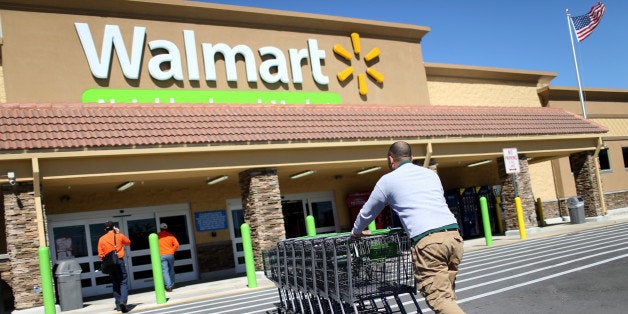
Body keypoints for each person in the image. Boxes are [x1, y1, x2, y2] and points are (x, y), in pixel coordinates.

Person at [351, 141, 464, 314]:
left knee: (440, 299)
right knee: (447, 297)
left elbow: (367, 212)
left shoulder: (388, 181)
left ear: (391, 159)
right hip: (453, 237)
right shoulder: (430, 174)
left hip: (428, 243)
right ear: (411, 158)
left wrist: (356, 232)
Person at [98, 221, 131, 313]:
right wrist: (118, 232)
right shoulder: (119, 235)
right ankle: (123, 302)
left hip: (109, 263)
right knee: (123, 282)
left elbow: (100, 254)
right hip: (119, 260)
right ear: (113, 227)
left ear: (105, 229)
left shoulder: (101, 239)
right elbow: (128, 242)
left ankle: (118, 305)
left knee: (115, 283)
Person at [158, 222, 179, 292]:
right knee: (171, 270)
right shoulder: (171, 236)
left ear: (160, 228)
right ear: (167, 228)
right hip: (170, 255)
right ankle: (172, 285)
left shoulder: (157, 236)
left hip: (162, 255)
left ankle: (168, 286)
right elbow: (176, 245)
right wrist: (172, 251)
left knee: (165, 271)